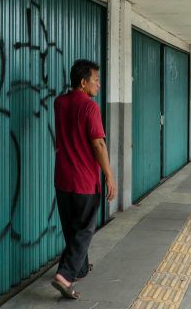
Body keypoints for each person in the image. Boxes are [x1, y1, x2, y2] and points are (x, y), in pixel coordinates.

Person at [51, 59, 117, 300]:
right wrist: (109, 176)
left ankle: (78, 269)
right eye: (96, 80)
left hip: (62, 179)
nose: (98, 85)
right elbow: (98, 143)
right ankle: (65, 275)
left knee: (72, 227)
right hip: (83, 181)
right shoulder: (90, 107)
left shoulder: (59, 103)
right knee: (86, 228)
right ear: (83, 82)